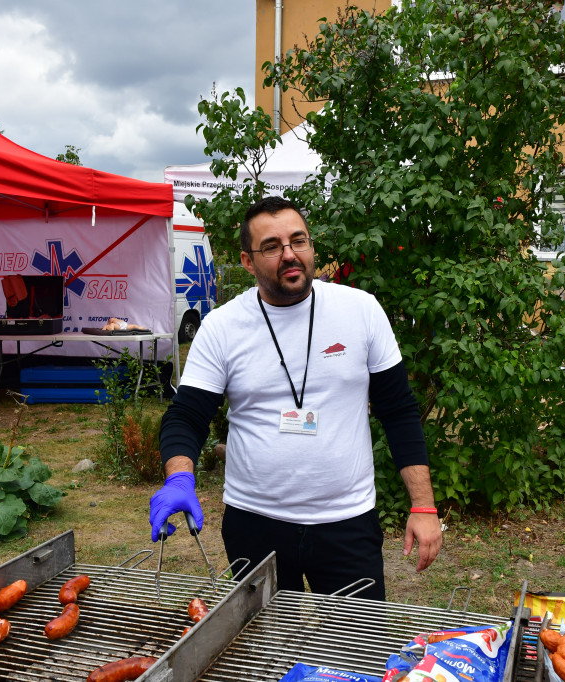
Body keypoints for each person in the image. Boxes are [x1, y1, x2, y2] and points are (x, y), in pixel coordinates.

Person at [150, 196, 442, 601]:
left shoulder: (361, 311)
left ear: (311, 246)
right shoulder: (222, 327)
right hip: (254, 522)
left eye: (298, 240)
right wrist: (180, 475)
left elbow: (399, 411)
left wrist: (424, 506)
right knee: (266, 649)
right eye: (271, 246)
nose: (289, 254)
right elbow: (187, 416)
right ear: (248, 261)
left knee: (356, 650)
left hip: (347, 520)